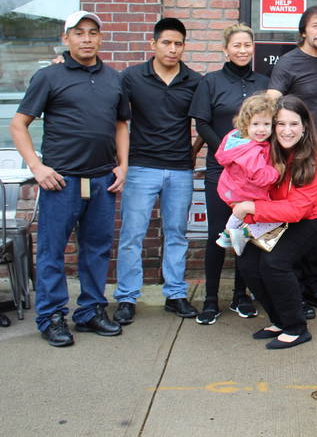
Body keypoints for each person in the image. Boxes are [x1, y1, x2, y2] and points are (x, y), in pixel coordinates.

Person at [9, 10, 130, 347]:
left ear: (101, 38)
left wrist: (123, 166)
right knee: (52, 251)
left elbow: (121, 124)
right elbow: (18, 124)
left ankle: (90, 311)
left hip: (102, 179)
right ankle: (50, 317)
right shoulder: (49, 77)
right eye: (79, 33)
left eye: (93, 32)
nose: (87, 39)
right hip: (61, 181)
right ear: (66, 39)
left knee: (97, 249)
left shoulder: (113, 79)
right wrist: (37, 167)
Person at [112, 17, 201, 325]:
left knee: (177, 234)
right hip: (141, 167)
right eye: (166, 42)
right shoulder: (131, 78)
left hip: (179, 170)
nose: (172, 49)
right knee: (132, 235)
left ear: (184, 46)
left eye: (178, 44)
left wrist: (193, 153)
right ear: (153, 44)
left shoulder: (194, 80)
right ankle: (126, 297)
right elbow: (118, 121)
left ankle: (175, 294)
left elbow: (202, 122)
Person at [234, 96, 317, 349]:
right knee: (247, 261)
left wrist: (251, 209)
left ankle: (297, 327)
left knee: (275, 262)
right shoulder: (265, 149)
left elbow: (297, 209)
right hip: (273, 215)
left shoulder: (314, 158)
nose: (287, 131)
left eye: (293, 124)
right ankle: (279, 320)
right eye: (280, 124)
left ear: (304, 127)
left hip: (309, 219)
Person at [189, 23, 269, 324]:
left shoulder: (264, 81)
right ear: (226, 49)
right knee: (216, 235)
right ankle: (211, 299)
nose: (242, 50)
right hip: (220, 171)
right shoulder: (210, 82)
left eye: (247, 45)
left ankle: (241, 295)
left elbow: (268, 125)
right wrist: (232, 156)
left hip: (254, 174)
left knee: (245, 235)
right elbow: (203, 125)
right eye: (236, 45)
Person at [267, 6, 317, 310]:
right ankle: (295, 294)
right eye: (315, 26)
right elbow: (272, 106)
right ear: (303, 31)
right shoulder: (288, 63)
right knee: (295, 228)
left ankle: (313, 290)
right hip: (296, 161)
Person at [213, 94, 284, 254]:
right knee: (278, 217)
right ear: (246, 124)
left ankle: (227, 234)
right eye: (256, 124)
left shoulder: (234, 137)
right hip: (245, 192)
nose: (261, 129)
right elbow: (260, 177)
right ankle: (238, 234)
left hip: (231, 188)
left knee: (239, 214)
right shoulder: (251, 151)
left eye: (266, 124)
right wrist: (276, 172)